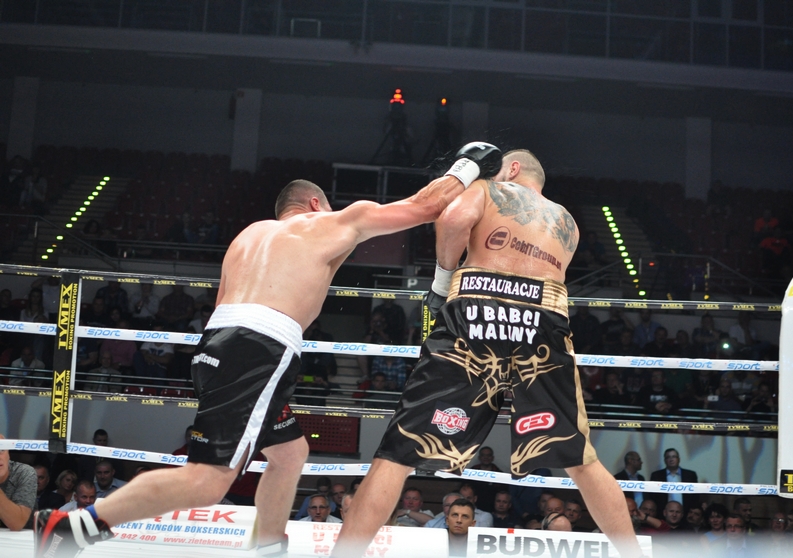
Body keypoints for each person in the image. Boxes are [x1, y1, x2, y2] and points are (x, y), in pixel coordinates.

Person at [34, 155, 474, 558]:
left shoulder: (248, 237)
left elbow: (222, 304)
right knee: (208, 480)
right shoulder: (330, 221)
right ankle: (74, 526)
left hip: (217, 346)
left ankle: (269, 546)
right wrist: (470, 165)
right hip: (258, 350)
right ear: (316, 204)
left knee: (290, 453)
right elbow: (426, 206)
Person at [332, 149, 642, 558]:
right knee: (581, 459)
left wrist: (442, 281)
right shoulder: (566, 220)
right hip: (543, 319)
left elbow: (453, 219)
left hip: (478, 307)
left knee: (399, 451)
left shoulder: (488, 189)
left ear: (512, 169)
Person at [0, 434, 36, 530]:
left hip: (23, 537)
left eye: (1, 450)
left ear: (8, 454)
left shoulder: (24, 473)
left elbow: (17, 523)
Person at [650, 448, 698, 514]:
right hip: (663, 514)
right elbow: (653, 497)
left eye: (674, 457)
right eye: (668, 457)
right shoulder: (656, 476)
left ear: (679, 459)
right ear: (665, 460)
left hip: (686, 513)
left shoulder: (690, 475)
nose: (671, 459)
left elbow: (695, 496)